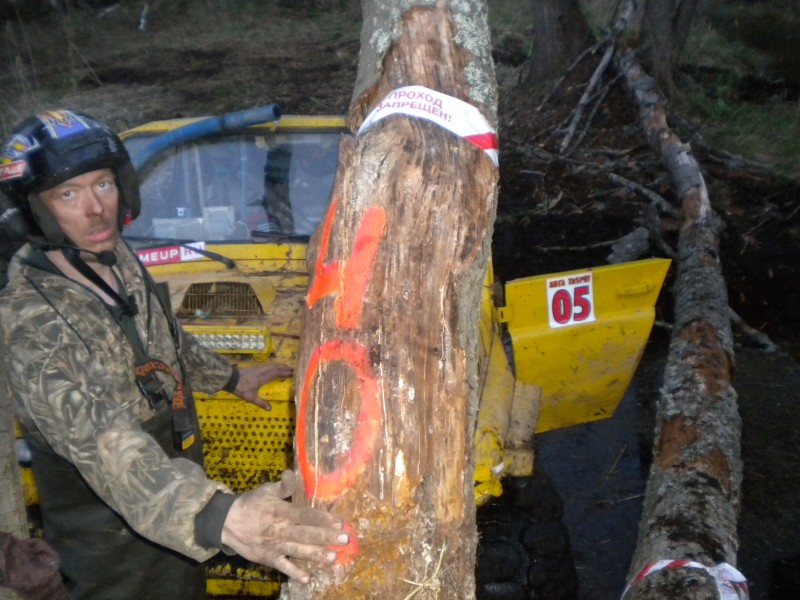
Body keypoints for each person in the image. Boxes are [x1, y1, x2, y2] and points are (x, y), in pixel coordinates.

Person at [0, 109, 347, 599]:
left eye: (103, 185)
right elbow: (102, 439)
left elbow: (162, 335)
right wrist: (215, 516)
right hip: (108, 523)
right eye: (69, 194)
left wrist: (229, 378)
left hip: (173, 480)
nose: (96, 209)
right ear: (35, 211)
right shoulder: (29, 318)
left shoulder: (113, 257)